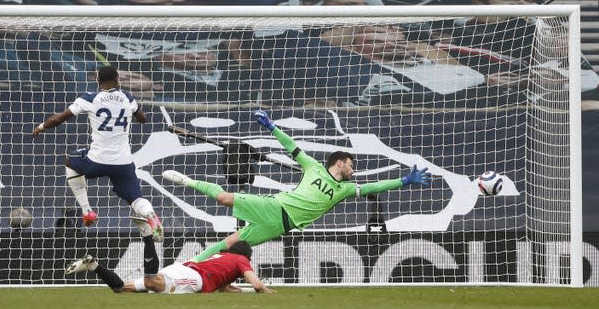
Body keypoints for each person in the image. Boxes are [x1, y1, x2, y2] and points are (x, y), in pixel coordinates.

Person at [162, 110, 432, 262]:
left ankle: (188, 266)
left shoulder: (345, 189)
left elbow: (373, 188)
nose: (353, 168)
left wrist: (404, 181)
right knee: (223, 198)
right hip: (275, 206)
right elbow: (292, 147)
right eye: (350, 164)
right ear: (339, 162)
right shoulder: (312, 166)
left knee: (230, 243)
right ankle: (187, 180)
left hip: (282, 225)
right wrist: (272, 127)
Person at [31, 65, 164, 241]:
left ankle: (87, 211)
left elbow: (59, 118)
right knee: (135, 198)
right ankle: (152, 216)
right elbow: (143, 118)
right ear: (117, 80)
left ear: (98, 81)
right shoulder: (128, 98)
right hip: (123, 164)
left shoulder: (90, 98)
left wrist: (41, 127)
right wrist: (132, 113)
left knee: (70, 160)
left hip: (96, 162)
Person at [66, 235, 275, 294]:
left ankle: (94, 266)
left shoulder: (222, 258)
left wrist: (240, 291)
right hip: (193, 278)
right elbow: (256, 284)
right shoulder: (241, 261)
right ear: (246, 257)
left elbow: (224, 287)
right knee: (151, 283)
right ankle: (147, 236)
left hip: (181, 268)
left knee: (122, 289)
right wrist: (264, 289)